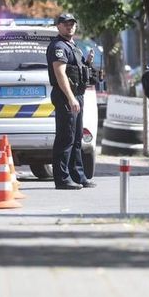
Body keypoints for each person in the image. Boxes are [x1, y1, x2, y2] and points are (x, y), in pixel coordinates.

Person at [46, 13, 96, 190]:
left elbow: (77, 70)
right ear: (58, 26)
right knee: (65, 138)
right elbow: (60, 74)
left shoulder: (73, 46)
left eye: (72, 24)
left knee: (76, 139)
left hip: (77, 96)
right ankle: (62, 178)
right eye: (65, 24)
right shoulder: (58, 46)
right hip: (66, 96)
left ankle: (78, 175)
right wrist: (70, 97)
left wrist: (88, 62)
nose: (70, 27)